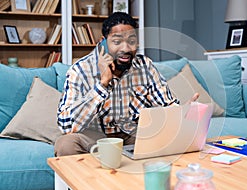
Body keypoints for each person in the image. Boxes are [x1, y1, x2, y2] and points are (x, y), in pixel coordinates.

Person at [54, 12, 198, 156]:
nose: (126, 49)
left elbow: (166, 105)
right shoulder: (80, 71)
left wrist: (182, 112)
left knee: (170, 136)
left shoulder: (144, 66)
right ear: (103, 42)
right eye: (117, 42)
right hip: (95, 137)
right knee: (66, 144)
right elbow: (66, 125)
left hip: (133, 134)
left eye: (131, 41)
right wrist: (103, 85)